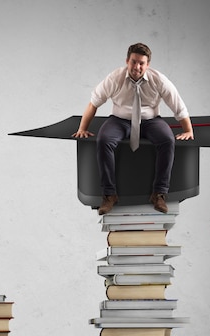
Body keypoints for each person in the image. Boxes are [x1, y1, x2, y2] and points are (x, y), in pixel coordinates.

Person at [72, 43, 194, 214]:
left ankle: (159, 193)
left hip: (150, 121)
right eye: (134, 62)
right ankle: (109, 194)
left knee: (167, 140)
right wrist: (82, 128)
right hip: (119, 120)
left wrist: (188, 130)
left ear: (147, 64)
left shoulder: (159, 80)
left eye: (141, 63)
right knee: (104, 140)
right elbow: (94, 102)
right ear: (127, 61)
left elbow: (178, 106)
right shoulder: (115, 78)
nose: (137, 67)